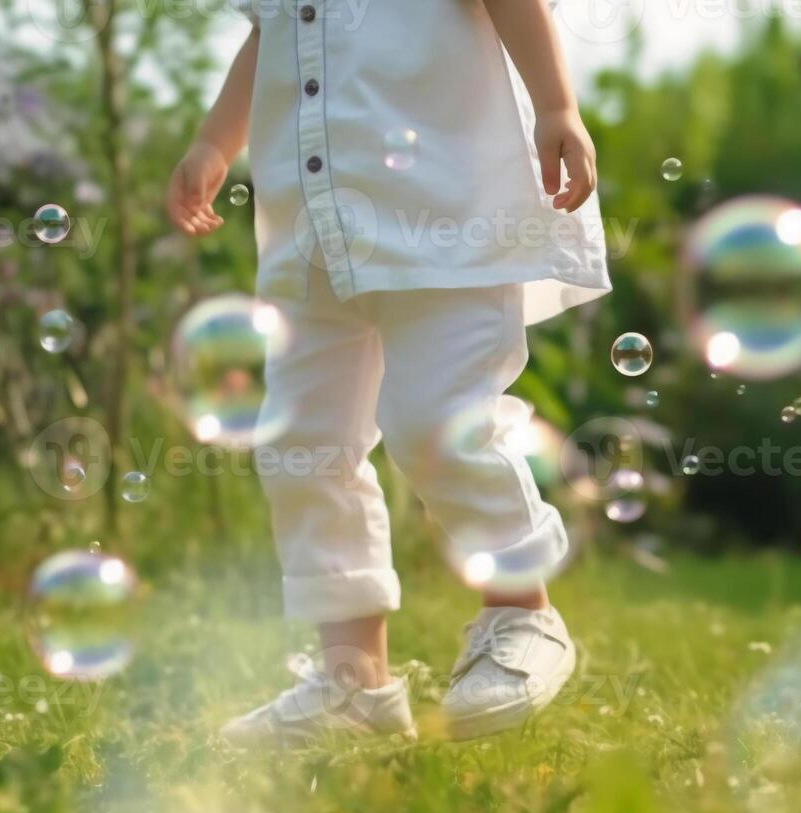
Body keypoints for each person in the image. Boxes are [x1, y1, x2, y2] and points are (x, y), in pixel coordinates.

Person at [166, 0, 610, 745]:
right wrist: (215, 143)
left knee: (441, 421)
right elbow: (269, 32)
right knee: (303, 449)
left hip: (444, 218)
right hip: (313, 240)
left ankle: (521, 614)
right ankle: (353, 685)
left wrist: (556, 103)